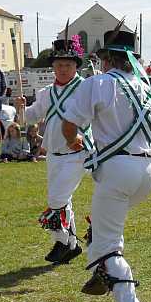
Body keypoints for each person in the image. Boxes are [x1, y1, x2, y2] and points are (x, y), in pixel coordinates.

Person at [60, 27, 151, 302]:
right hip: (148, 172)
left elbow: (69, 125)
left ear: (105, 58)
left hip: (117, 170)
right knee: (105, 230)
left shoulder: (98, 83)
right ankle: (103, 269)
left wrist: (75, 142)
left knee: (107, 245)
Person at [16, 38, 91, 265]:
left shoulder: (85, 89)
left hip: (78, 153)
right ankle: (72, 245)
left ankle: (62, 241)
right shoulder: (46, 92)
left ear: (76, 65)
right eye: (58, 65)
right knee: (63, 198)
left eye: (68, 65)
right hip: (53, 154)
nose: (62, 69)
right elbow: (31, 117)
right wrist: (20, 107)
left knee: (56, 198)